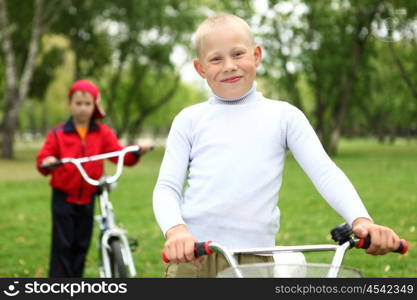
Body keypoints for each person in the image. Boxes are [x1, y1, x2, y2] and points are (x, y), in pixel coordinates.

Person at [153, 14, 401, 278]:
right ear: (200, 68)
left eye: (238, 54)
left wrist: (361, 220)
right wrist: (176, 230)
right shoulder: (189, 120)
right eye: (216, 59)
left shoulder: (284, 116)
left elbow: (325, 172)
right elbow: (167, 187)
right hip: (195, 255)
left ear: (256, 55)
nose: (229, 66)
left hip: (256, 259)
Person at [37, 80, 152, 277]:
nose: (82, 108)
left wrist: (137, 151)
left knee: (81, 245)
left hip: (89, 197)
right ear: (70, 104)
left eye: (87, 104)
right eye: (78, 103)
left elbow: (119, 155)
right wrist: (48, 160)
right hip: (63, 198)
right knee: (62, 246)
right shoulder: (58, 134)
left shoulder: (102, 133)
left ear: (94, 106)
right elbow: (44, 161)